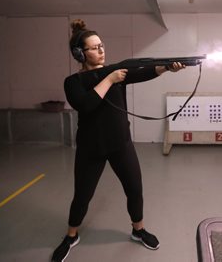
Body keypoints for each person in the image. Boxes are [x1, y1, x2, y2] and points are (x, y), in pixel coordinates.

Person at [51, 19, 185, 262]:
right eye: (94, 47)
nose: (101, 50)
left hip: (120, 143)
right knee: (82, 196)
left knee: (134, 189)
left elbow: (144, 72)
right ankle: (71, 236)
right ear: (80, 53)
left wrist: (166, 68)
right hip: (91, 148)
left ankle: (138, 230)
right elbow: (85, 104)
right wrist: (110, 79)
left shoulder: (116, 71)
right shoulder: (73, 82)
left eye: (102, 44)